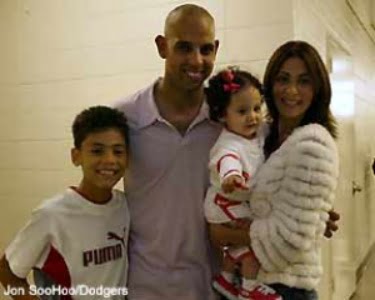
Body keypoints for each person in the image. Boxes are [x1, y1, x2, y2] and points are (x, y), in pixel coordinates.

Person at [115, 4, 339, 300]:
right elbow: (99, 178)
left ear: (216, 50)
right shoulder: (126, 116)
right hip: (145, 285)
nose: (196, 60)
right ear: (162, 46)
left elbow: (265, 184)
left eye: (206, 49)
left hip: (216, 283)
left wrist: (308, 213)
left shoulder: (232, 122)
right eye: (184, 47)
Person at [209, 40, 340, 300]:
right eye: (283, 79)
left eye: (304, 81)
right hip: (253, 282)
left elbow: (288, 242)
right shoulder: (262, 136)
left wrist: (223, 232)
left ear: (318, 89)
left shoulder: (313, 145)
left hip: (286, 289)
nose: (291, 90)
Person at [0, 106, 130, 300]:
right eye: (97, 151)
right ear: (76, 156)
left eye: (118, 151)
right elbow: (7, 271)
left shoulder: (124, 206)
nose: (110, 160)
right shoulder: (51, 214)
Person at [204, 67, 281, 300]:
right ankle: (248, 291)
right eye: (242, 111)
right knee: (252, 249)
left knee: (239, 247)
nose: (253, 117)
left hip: (235, 203)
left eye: (257, 108)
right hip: (227, 203)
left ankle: (226, 281)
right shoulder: (228, 144)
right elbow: (227, 160)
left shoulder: (256, 133)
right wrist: (232, 176)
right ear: (222, 115)